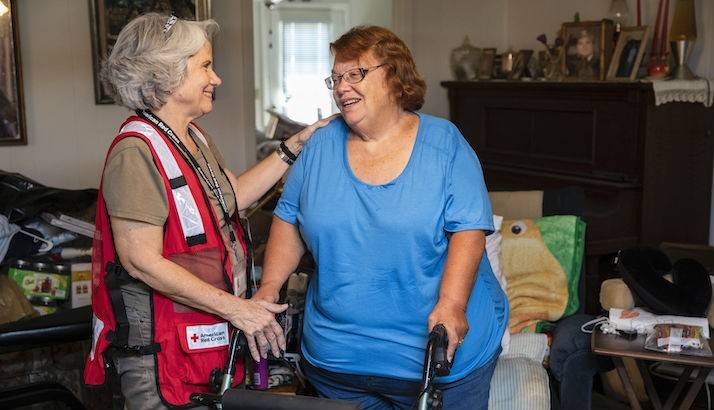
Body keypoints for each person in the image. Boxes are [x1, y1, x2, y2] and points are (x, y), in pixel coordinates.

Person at [83, 13, 334, 409]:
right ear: (166, 74)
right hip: (160, 358)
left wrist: (296, 144)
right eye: (204, 66)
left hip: (201, 346)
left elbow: (231, 195)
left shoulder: (192, 136)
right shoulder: (135, 151)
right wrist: (239, 310)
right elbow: (140, 260)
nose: (215, 78)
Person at [254, 26, 508, 410]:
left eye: (356, 74)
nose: (341, 87)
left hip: (435, 361)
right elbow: (289, 219)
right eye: (336, 77)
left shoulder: (444, 144)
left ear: (394, 76)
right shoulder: (320, 146)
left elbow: (468, 229)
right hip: (337, 362)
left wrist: (453, 304)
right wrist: (269, 287)